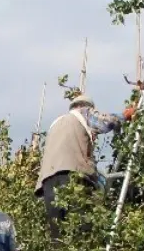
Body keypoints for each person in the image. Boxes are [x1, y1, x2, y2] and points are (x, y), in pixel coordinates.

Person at [36, 92, 135, 241]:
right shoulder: (83, 113)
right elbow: (105, 122)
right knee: (83, 231)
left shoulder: (56, 123)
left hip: (48, 183)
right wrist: (125, 115)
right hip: (71, 177)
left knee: (58, 234)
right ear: (84, 106)